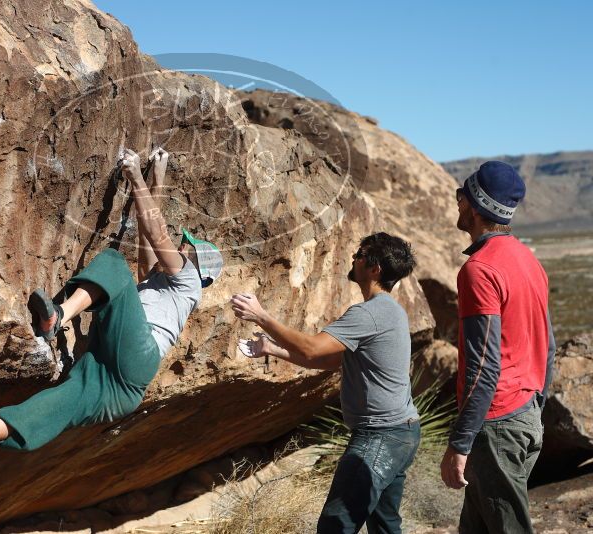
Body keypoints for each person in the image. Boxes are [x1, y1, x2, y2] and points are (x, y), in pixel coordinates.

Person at [0, 147, 223, 450]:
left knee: (113, 264)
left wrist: (136, 174)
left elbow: (157, 234)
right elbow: (147, 238)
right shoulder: (167, 285)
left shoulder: (190, 279)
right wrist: (156, 181)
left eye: (187, 248)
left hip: (137, 356)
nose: (181, 247)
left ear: (195, 263)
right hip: (123, 390)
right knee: (43, 411)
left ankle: (58, 316)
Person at [231, 232, 419, 534]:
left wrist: (261, 316)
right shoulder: (390, 312)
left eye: (360, 253)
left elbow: (312, 347)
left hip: (380, 436)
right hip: (402, 433)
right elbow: (329, 360)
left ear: (375, 269)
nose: (354, 257)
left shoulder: (369, 313)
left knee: (336, 525)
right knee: (385, 527)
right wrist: (271, 348)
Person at [440, 161, 555, 533]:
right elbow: (548, 346)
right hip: (524, 413)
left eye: (461, 196)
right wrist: (536, 401)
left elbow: (483, 366)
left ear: (474, 206)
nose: (457, 204)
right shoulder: (528, 261)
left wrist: (460, 442)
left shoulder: (480, 270)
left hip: (497, 424)